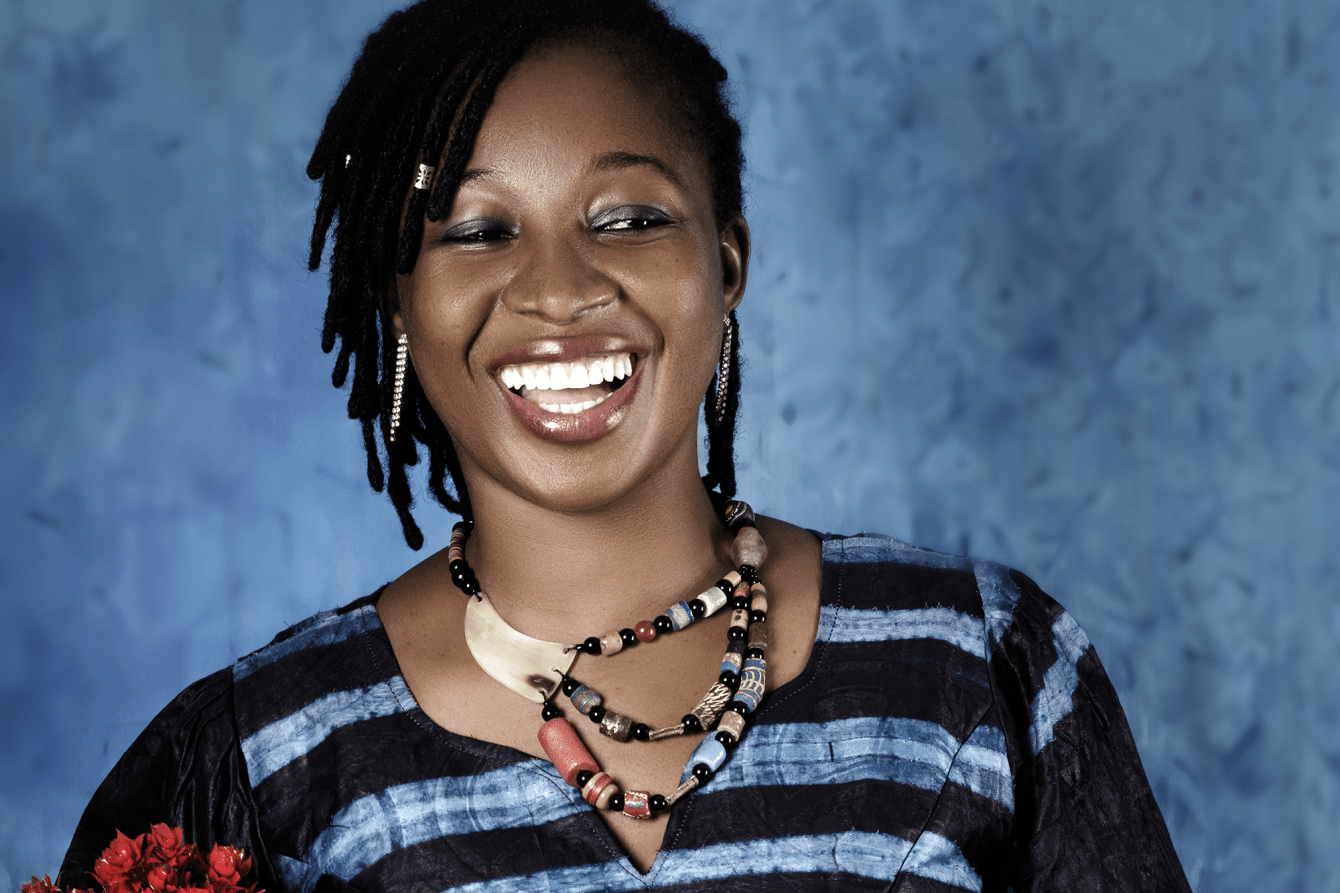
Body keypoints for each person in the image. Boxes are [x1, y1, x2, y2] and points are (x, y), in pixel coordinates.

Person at [60, 1, 1191, 890]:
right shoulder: (257, 761)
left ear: (725, 261)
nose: (558, 290)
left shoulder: (982, 662)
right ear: (395, 299)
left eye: (628, 218)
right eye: (475, 230)